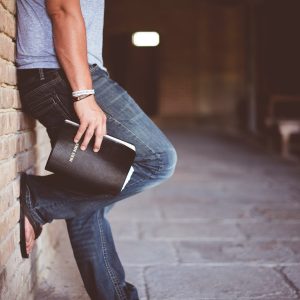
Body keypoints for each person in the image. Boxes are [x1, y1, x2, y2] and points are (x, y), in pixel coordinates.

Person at [16, 0, 177, 299]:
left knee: (88, 196)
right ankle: (41, 199)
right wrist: (84, 93)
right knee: (158, 160)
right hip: (61, 77)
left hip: (57, 75)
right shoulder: (74, 85)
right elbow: (63, 9)